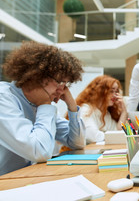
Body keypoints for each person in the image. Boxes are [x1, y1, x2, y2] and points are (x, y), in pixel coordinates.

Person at [0, 41, 86, 176]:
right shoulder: (3, 98)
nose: (62, 90)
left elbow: (77, 143)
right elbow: (39, 151)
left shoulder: (36, 104)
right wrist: (45, 104)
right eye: (60, 81)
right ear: (36, 76)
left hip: (23, 179)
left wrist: (72, 106)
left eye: (66, 83)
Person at [76, 75, 128, 144]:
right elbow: (93, 137)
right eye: (111, 91)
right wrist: (114, 137)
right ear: (100, 92)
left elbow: (117, 131)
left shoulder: (106, 113)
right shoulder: (86, 109)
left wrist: (124, 111)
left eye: (116, 92)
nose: (115, 95)